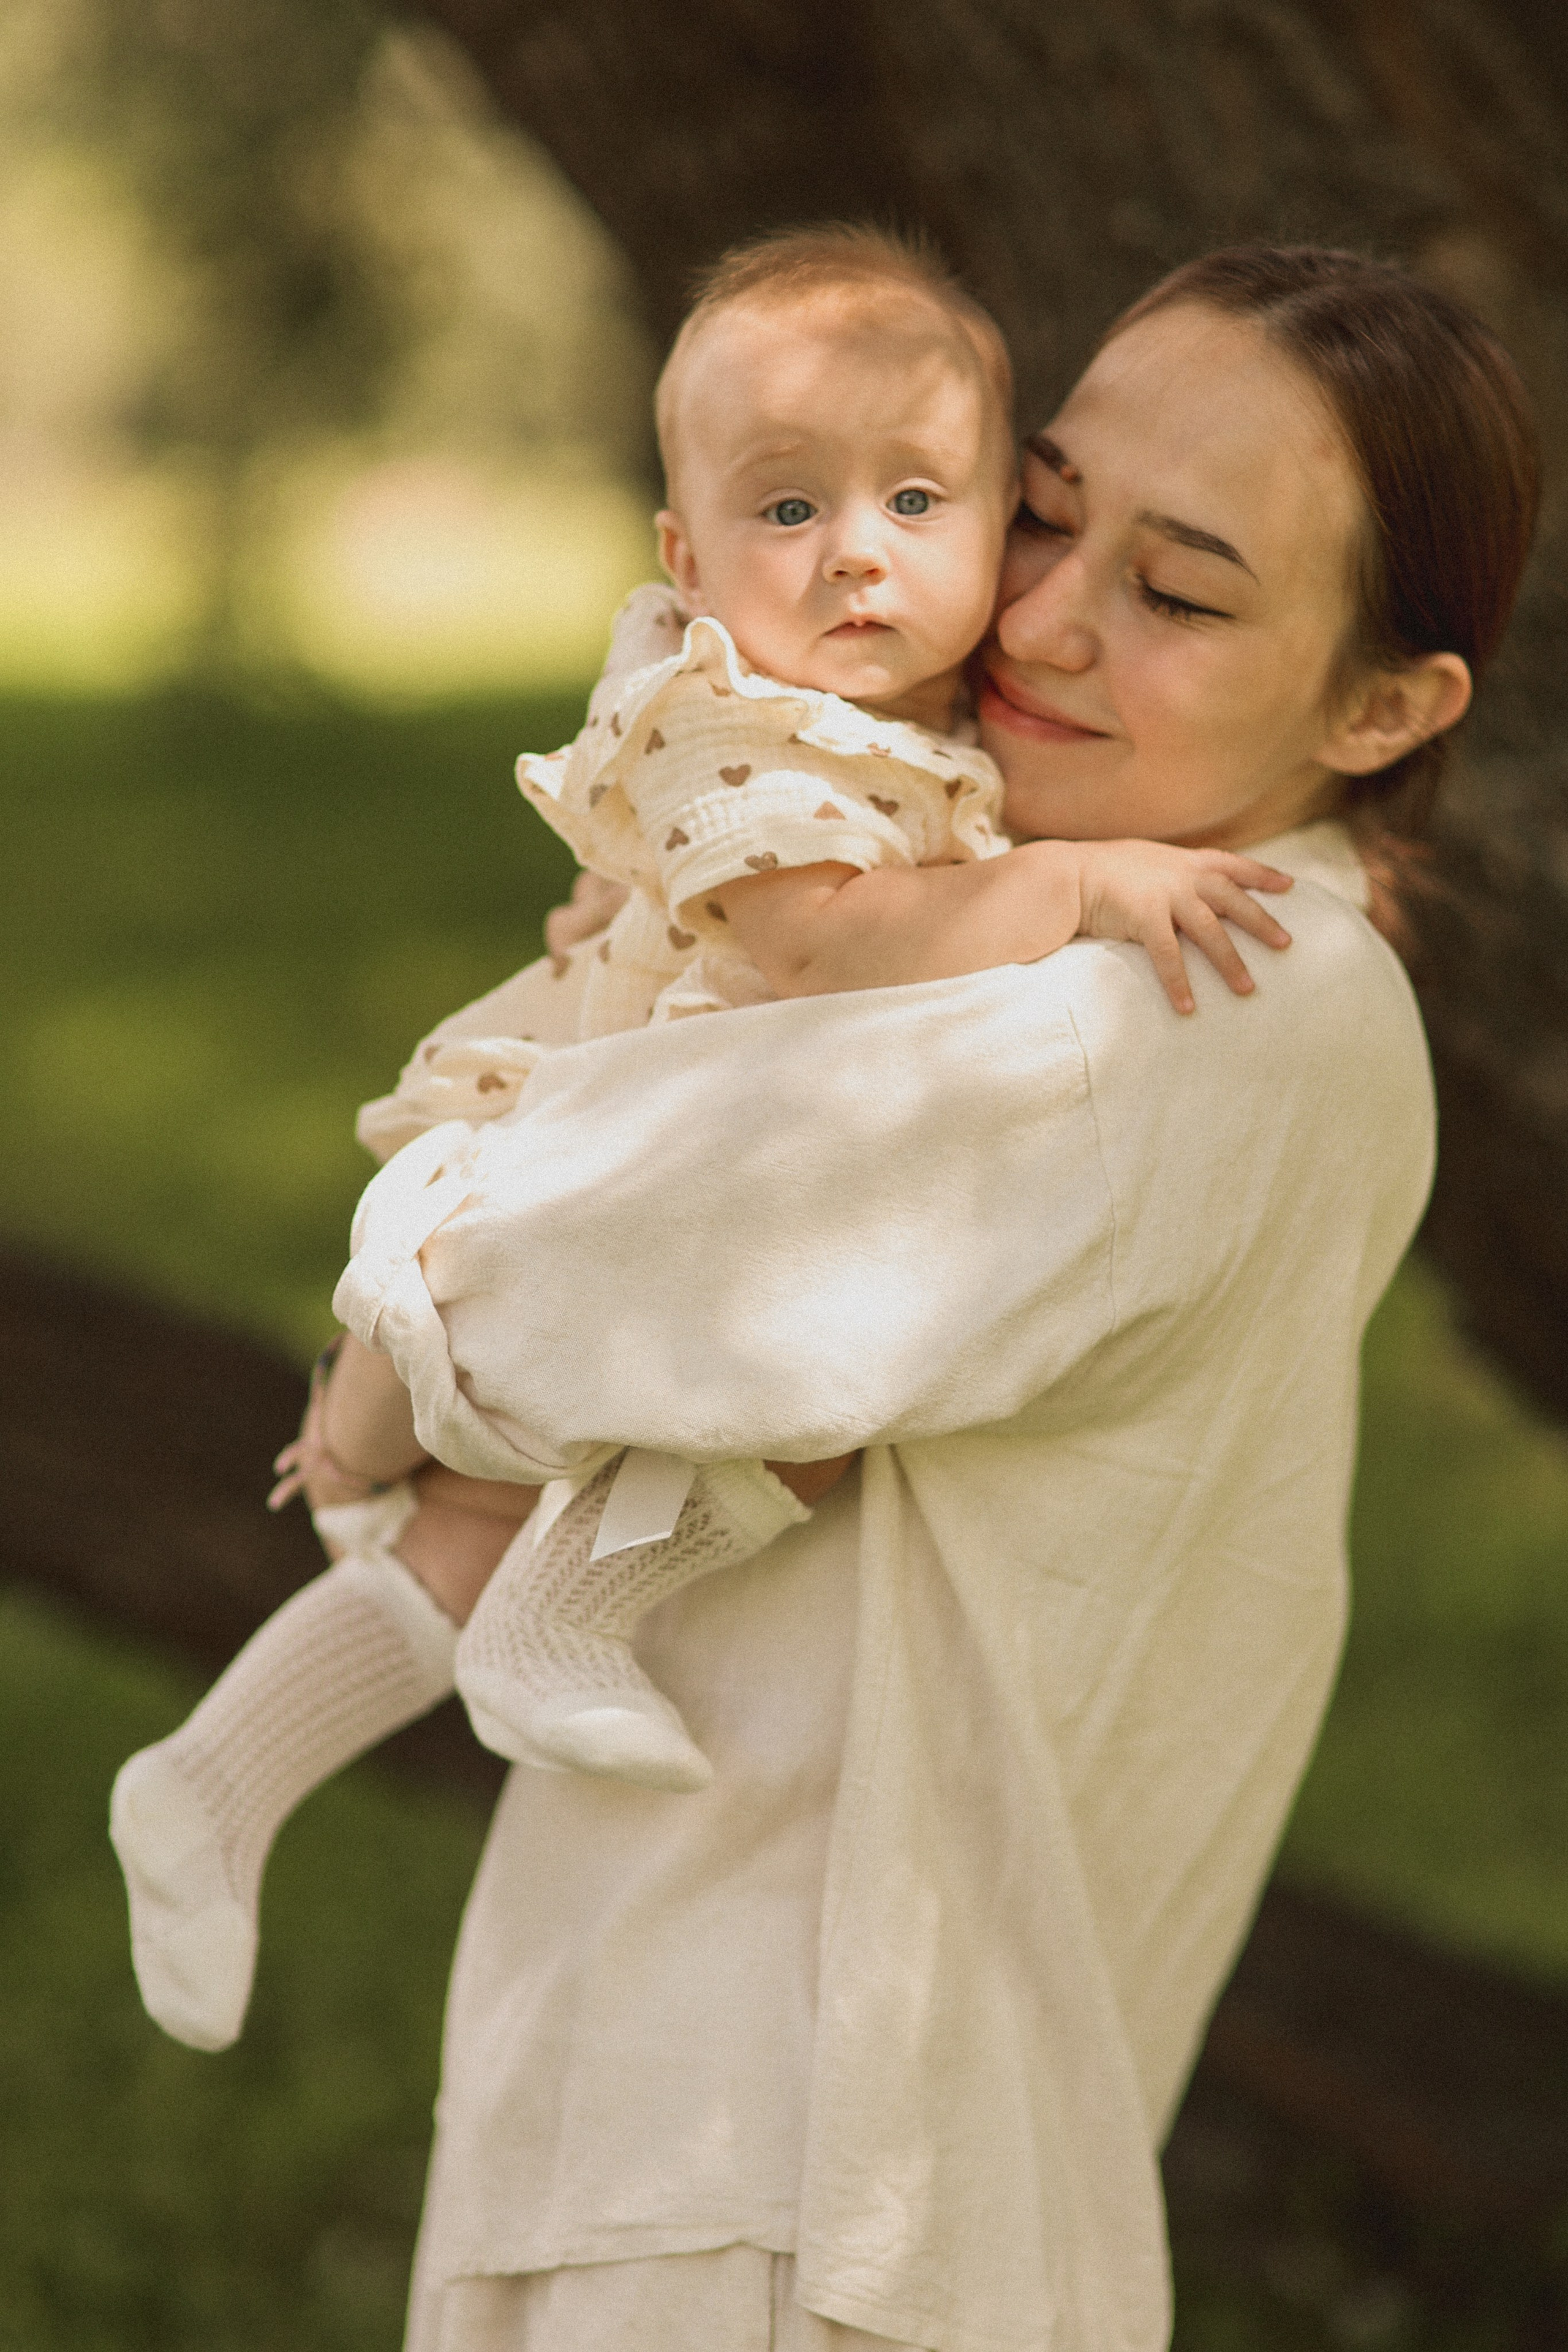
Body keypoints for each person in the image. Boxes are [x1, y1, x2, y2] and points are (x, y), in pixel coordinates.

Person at [329, 244, 1536, 2352]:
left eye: (1182, 591)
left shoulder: (1181, 1003)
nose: (1045, 616)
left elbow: (486, 1305)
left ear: (1383, 705)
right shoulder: (1123, 948)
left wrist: (595, 1020)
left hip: (774, 2172)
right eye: (1050, 510)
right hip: (738, 2129)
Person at [108, 228, 1294, 2051]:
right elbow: (821, 939)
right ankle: (556, 1626)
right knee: (789, 1416)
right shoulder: (733, 722)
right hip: (596, 1142)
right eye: (790, 510)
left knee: (461, 1534)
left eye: (918, 498)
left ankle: (212, 1781)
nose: (858, 555)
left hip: (661, 1153)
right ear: (686, 561)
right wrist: (1078, 881)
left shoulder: (911, 704)